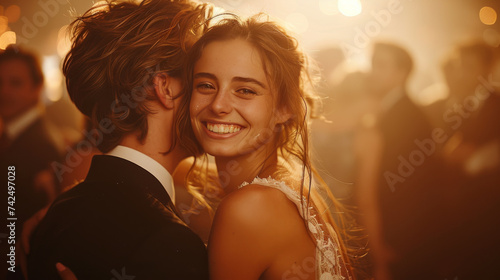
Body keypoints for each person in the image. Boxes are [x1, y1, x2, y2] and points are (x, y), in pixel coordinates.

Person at [27, 0, 211, 279]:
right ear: (164, 88)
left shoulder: (52, 216)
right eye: (203, 84)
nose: (216, 103)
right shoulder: (171, 239)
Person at [175, 15, 356, 280]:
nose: (218, 105)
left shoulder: (250, 207)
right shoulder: (289, 184)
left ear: (284, 108)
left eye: (245, 90)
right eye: (205, 85)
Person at [354, 42, 445, 279]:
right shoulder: (387, 110)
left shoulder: (408, 117)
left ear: (402, 73)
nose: (372, 71)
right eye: (372, 63)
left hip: (399, 239)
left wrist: (383, 244)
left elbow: (407, 187)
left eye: (380, 65)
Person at [0, 45, 63, 280]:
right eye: (0, 82)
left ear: (37, 88)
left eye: (15, 83)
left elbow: (15, 225)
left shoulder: (40, 146)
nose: (4, 91)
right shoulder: (15, 138)